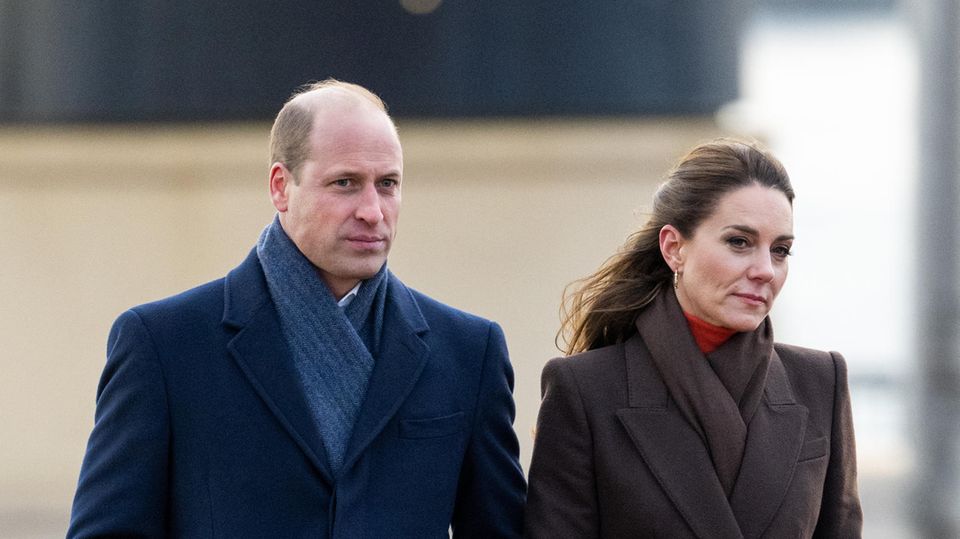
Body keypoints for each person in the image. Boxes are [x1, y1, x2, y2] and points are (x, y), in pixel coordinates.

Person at [68, 79, 526, 537]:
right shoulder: (164, 345)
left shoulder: (469, 352)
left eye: (387, 184)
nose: (373, 210)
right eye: (345, 183)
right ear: (281, 187)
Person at [524, 138, 862, 538]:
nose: (765, 270)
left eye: (781, 250)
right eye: (739, 242)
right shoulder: (586, 390)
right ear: (673, 248)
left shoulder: (820, 381)